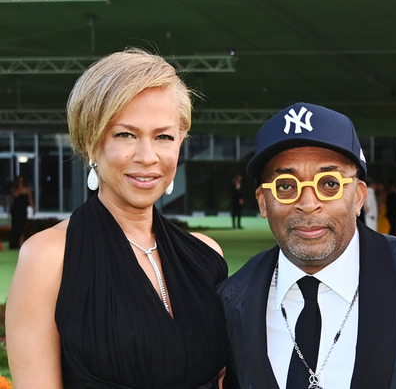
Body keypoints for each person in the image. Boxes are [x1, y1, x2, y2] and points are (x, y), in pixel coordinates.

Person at [5, 48, 229, 388]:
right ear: (92, 143)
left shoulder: (206, 256)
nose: (147, 156)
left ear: (180, 142)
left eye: (163, 137)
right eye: (126, 134)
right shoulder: (47, 257)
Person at [219, 102, 396, 388]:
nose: (308, 204)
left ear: (359, 197)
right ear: (263, 202)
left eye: (329, 184)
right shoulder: (230, 299)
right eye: (286, 186)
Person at [9, 175, 34, 249]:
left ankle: (20, 242)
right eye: (19, 181)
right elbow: (16, 194)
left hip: (23, 210)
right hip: (15, 209)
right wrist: (20, 188)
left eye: (22, 181)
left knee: (22, 226)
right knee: (15, 226)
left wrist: (33, 208)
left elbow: (30, 199)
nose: (21, 182)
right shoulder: (15, 188)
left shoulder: (27, 189)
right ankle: (13, 244)